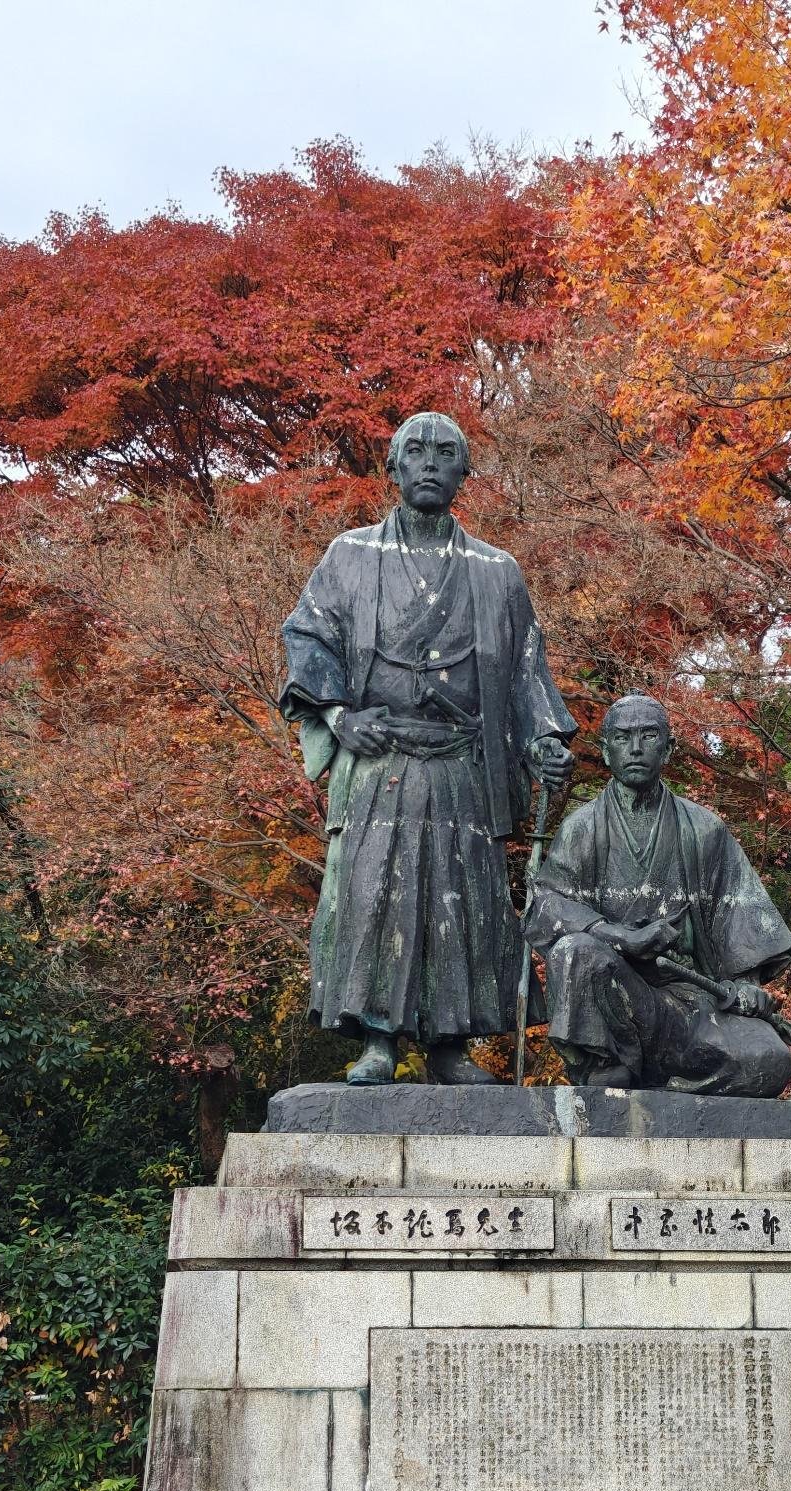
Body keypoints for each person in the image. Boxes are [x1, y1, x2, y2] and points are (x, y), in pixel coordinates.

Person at [279, 411, 575, 1085]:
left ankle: (452, 1046)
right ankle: (378, 1041)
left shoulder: (496, 573)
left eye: (447, 453)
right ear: (393, 469)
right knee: (373, 891)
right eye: (416, 452)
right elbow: (308, 638)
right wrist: (336, 715)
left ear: (464, 473)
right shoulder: (351, 555)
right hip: (379, 757)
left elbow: (528, 673)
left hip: (463, 761)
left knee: (463, 897)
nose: (431, 462)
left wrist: (545, 743)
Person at [525, 694, 791, 1093]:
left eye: (649, 736)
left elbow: (739, 913)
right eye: (621, 738)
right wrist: (621, 936)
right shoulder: (581, 828)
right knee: (574, 951)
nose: (635, 749)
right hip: (616, 996)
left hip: (688, 1000)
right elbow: (546, 906)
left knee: (770, 1062)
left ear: (668, 748)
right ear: (605, 750)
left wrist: (747, 984)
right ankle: (609, 1064)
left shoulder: (704, 829)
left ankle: (669, 1087)